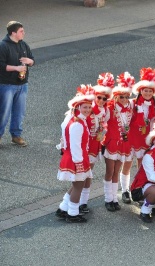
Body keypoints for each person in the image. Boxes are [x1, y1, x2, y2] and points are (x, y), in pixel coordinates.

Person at [55, 85, 95, 223]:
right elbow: (75, 146)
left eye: (89, 107)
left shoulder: (75, 119)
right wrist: (79, 164)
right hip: (76, 158)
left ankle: (63, 208)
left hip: (76, 157)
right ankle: (72, 214)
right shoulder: (77, 124)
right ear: (78, 108)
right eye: (85, 107)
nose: (88, 110)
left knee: (77, 185)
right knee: (79, 186)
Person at [120, 68, 155, 204]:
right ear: (140, 90)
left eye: (150, 91)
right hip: (132, 138)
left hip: (145, 139)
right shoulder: (132, 103)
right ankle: (125, 190)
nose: (147, 93)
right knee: (127, 164)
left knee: (142, 165)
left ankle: (138, 188)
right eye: (145, 90)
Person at [78, 77, 112, 214]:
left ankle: (83, 202)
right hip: (85, 147)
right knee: (82, 175)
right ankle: (76, 203)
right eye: (99, 98)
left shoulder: (105, 111)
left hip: (95, 146)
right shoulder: (88, 110)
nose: (102, 101)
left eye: (105, 99)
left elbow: (105, 126)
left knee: (88, 174)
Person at [102, 72, 135, 211]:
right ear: (116, 96)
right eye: (121, 97)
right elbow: (100, 120)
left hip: (124, 144)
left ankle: (115, 198)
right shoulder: (110, 108)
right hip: (111, 143)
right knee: (110, 171)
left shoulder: (130, 108)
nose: (124, 99)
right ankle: (107, 198)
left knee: (117, 171)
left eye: (127, 97)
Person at [0, 21, 34, 147]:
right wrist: (16, 68)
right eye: (21, 31)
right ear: (13, 33)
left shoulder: (23, 44)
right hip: (7, 85)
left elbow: (32, 60)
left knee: (19, 112)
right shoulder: (3, 46)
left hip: (22, 84)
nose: (24, 33)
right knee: (4, 112)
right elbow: (1, 66)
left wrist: (30, 61)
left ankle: (16, 135)